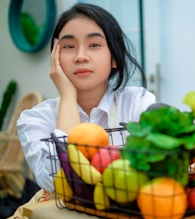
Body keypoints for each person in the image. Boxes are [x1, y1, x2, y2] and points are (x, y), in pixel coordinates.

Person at [10, 3, 155, 218]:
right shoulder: (34, 118)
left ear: (114, 57)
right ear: (56, 58)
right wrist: (68, 96)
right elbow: (56, 180)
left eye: (94, 44)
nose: (80, 56)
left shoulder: (137, 102)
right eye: (68, 47)